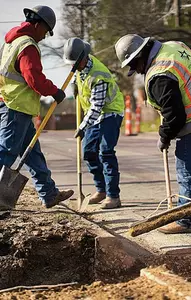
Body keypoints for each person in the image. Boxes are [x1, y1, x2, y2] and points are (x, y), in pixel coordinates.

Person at [114, 34, 191, 233]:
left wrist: (164, 136)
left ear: (139, 56)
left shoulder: (159, 75)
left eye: (135, 65)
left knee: (188, 173)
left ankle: (186, 221)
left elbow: (175, 116)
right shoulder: (174, 46)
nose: (137, 71)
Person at [0, 5, 73, 208]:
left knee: (32, 154)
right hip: (15, 107)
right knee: (5, 153)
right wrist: (54, 91)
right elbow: (34, 78)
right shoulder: (27, 45)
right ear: (38, 24)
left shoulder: (11, 42)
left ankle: (48, 194)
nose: (44, 37)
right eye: (46, 31)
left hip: (15, 105)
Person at [63, 37, 125, 209]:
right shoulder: (79, 68)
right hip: (95, 116)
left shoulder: (99, 75)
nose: (72, 67)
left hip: (110, 113)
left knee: (106, 152)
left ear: (84, 58)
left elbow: (97, 106)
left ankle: (113, 196)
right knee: (89, 152)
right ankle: (101, 189)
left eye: (75, 63)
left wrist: (82, 126)